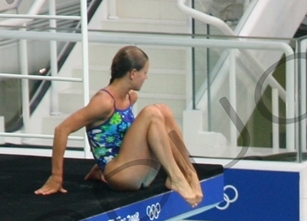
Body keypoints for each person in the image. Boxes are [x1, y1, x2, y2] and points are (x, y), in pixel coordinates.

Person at [34, 45, 202, 206]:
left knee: (163, 110)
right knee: (152, 112)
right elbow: (61, 130)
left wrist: (98, 163)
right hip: (121, 176)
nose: (146, 77)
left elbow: (117, 138)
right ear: (133, 73)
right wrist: (56, 176)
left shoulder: (131, 97)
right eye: (145, 73)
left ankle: (189, 173)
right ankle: (177, 178)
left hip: (137, 172)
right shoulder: (104, 102)